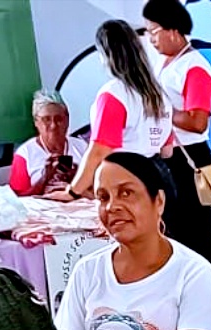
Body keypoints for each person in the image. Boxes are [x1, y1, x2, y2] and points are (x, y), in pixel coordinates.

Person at [53, 152, 211, 330]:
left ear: (159, 201)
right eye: (103, 197)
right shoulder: (87, 271)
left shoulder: (193, 273)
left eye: (126, 193)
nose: (112, 207)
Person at [145, 0, 211, 281]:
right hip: (166, 157)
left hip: (187, 159)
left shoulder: (194, 68)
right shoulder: (165, 64)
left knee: (196, 233)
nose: (151, 39)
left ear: (173, 30)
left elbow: (197, 121)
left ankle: (209, 293)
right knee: (173, 231)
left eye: (154, 31)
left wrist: (161, 111)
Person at [69, 21, 174, 200]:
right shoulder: (159, 94)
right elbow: (167, 150)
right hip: (161, 178)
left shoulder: (114, 95)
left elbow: (99, 151)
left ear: (105, 54)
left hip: (127, 181)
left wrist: (73, 192)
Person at [10, 91, 88, 198]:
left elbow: (100, 189)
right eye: (46, 119)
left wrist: (77, 179)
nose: (53, 126)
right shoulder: (25, 154)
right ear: (36, 122)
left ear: (67, 120)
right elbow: (18, 199)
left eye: (59, 119)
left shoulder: (82, 147)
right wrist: (45, 178)